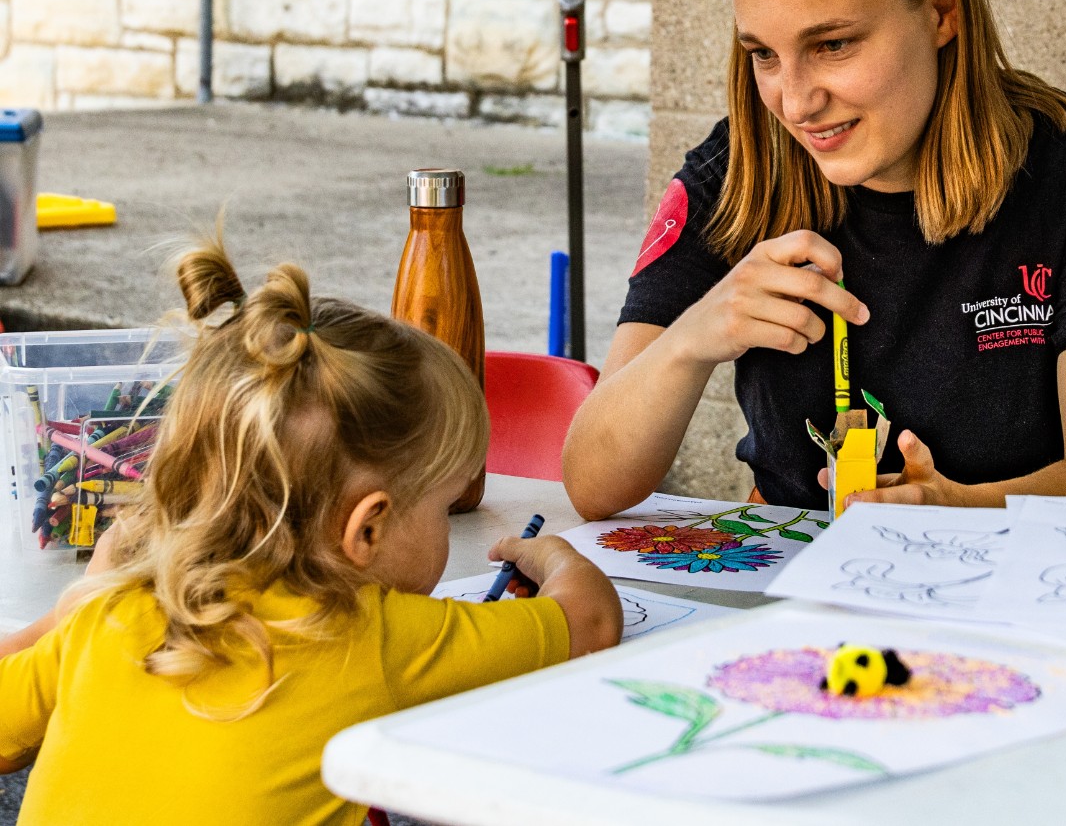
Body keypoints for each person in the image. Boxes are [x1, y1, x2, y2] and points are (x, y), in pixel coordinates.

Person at [563, 0, 1066, 520]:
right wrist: (696, 333)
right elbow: (591, 480)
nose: (794, 102)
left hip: (1022, 579)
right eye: (764, 54)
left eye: (832, 45)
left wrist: (963, 507)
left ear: (942, 8)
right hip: (794, 594)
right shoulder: (740, 166)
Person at [0, 233, 621, 825]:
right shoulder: (369, 639)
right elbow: (590, 624)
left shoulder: (112, 614)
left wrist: (83, 603)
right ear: (366, 529)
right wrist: (554, 558)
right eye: (441, 506)